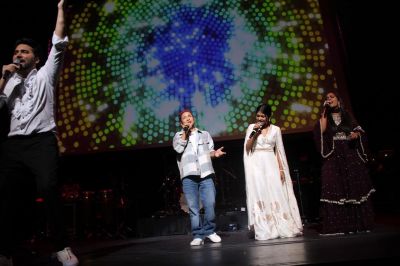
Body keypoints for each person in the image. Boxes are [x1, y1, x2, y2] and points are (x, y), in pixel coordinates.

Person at [0, 1, 79, 265]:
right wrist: (2, 79)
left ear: (35, 57)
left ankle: (62, 247)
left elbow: (57, 40)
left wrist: (60, 10)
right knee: (9, 198)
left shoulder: (46, 73)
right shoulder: (8, 82)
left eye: (24, 51)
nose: (19, 55)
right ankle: (7, 252)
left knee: (48, 187)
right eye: (16, 51)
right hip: (13, 146)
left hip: (41, 141)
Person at [313, 91, 375, 235]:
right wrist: (324, 111)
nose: (329, 99)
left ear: (338, 100)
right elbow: (320, 131)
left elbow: (359, 130)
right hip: (333, 156)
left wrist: (356, 134)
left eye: (331, 97)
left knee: (353, 187)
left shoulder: (347, 115)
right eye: (327, 98)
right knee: (333, 186)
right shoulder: (325, 116)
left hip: (349, 153)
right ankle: (339, 225)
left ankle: (358, 224)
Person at [243, 103, 303, 240]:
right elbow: (247, 147)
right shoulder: (251, 128)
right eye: (257, 115)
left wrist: (281, 169)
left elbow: (279, 152)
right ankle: (265, 227)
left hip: (271, 163)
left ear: (268, 117)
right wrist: (255, 133)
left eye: (262, 116)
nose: (259, 118)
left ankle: (281, 225)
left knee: (276, 192)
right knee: (261, 192)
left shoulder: (276, 130)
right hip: (256, 164)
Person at [173, 109, 226, 246]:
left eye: (189, 116)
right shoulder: (178, 136)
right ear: (181, 122)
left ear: (193, 119)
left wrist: (216, 154)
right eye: (184, 118)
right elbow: (178, 149)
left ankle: (209, 231)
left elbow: (210, 152)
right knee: (193, 207)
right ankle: (198, 234)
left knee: (210, 203)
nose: (188, 119)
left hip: (206, 173)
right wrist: (185, 133)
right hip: (189, 175)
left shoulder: (205, 134)